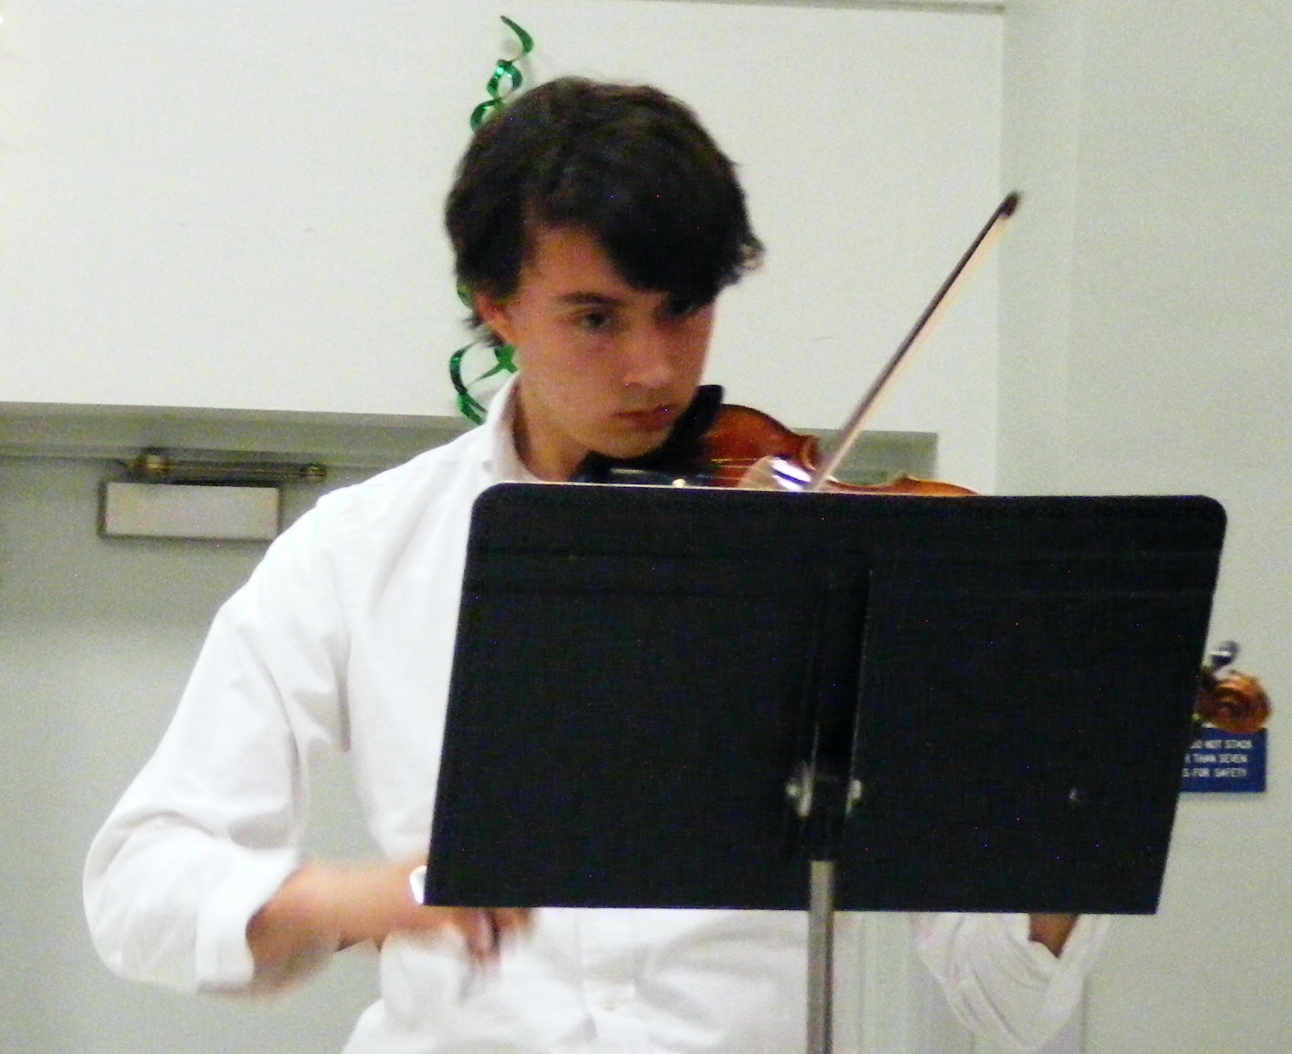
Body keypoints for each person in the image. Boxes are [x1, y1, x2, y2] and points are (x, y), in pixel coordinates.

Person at [85, 76, 1107, 1053]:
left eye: (683, 308)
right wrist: (364, 897)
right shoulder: (356, 552)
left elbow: (1006, 998)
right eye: (595, 318)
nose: (653, 368)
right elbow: (139, 888)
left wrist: (1086, 765)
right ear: (496, 306)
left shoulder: (837, 559)